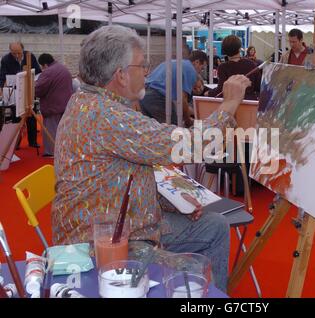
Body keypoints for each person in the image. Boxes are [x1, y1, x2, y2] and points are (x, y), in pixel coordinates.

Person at [51, 25, 251, 292]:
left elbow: (123, 173)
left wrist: (170, 201)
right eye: (142, 65)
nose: (147, 72)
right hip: (102, 245)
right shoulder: (106, 115)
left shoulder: (89, 103)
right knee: (192, 269)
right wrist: (228, 105)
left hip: (128, 225)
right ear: (121, 75)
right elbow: (187, 145)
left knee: (214, 225)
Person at [140, 50, 208, 126]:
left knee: (153, 129)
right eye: (202, 68)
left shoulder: (174, 63)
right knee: (173, 130)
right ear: (197, 62)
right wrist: (187, 120)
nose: (200, 72)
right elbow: (182, 100)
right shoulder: (191, 70)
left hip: (144, 94)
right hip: (157, 98)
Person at [0, 42, 42, 148]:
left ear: (22, 50)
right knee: (16, 117)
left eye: (18, 53)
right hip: (14, 92)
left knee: (31, 117)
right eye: (14, 53)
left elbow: (38, 72)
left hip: (28, 90)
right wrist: (2, 88)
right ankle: (16, 143)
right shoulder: (6, 59)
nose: (17, 55)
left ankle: (32, 141)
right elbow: (2, 76)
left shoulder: (29, 56)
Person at [35, 53, 72, 157]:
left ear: (45, 65)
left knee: (51, 130)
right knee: (62, 130)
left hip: (52, 106)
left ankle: (52, 152)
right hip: (65, 104)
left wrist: (32, 87)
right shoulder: (62, 68)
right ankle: (63, 149)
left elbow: (38, 89)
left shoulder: (48, 72)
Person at [206, 35, 261, 100]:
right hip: (250, 103)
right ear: (240, 49)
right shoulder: (251, 64)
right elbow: (259, 87)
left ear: (224, 50)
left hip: (232, 105)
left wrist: (209, 93)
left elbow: (221, 90)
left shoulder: (223, 67)